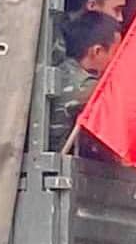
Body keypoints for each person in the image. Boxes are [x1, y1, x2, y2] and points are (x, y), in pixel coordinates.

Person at [49, 10, 122, 148]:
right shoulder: (85, 87)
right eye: (116, 53)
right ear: (97, 51)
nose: (118, 61)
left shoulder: (64, 71)